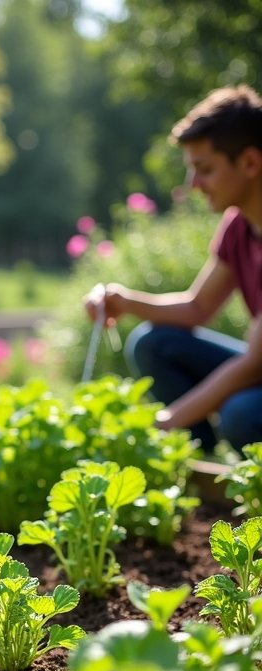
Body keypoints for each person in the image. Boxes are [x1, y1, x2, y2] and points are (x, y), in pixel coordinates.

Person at [84, 84, 262, 457]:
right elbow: (198, 308)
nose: (192, 185)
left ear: (249, 162)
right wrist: (125, 301)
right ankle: (198, 459)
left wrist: (162, 423)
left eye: (205, 169)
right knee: (154, 343)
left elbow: (253, 365)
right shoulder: (238, 226)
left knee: (240, 415)